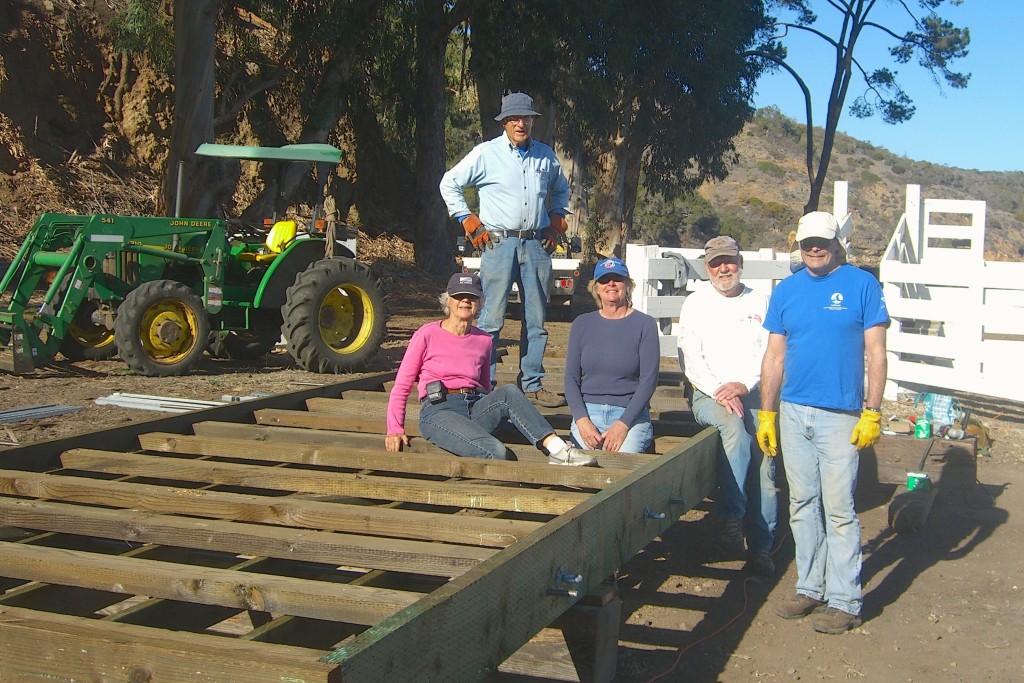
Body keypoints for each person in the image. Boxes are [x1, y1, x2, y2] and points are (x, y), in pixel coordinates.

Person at [758, 211, 889, 635]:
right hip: (794, 412)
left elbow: (876, 353)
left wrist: (872, 409)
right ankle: (810, 587)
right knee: (801, 503)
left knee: (839, 509)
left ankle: (845, 599)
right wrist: (767, 411)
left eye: (822, 242)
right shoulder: (788, 291)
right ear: (798, 244)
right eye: (806, 242)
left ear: (836, 243)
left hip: (840, 415)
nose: (813, 249)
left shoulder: (861, 285)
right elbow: (775, 356)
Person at [439, 92, 571, 409]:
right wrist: (467, 219)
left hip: (537, 243)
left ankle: (533, 385)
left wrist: (556, 221)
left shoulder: (546, 156)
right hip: (497, 243)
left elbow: (562, 189)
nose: (520, 123)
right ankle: (486, 383)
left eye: (525, 118)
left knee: (537, 319)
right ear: (505, 122)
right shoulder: (486, 154)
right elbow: (448, 182)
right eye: (514, 118)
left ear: (532, 122)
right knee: (490, 319)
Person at [385, 272, 596, 466]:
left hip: (475, 407)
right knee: (495, 450)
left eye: (472, 297)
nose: (465, 301)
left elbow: (485, 387)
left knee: (509, 392)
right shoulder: (427, 334)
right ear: (448, 300)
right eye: (459, 296)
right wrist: (394, 428)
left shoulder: (484, 340)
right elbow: (402, 385)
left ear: (479, 303)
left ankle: (557, 449)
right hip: (440, 410)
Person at [677, 236, 777, 577]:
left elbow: (771, 353)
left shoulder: (760, 301)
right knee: (734, 431)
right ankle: (732, 520)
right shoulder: (695, 303)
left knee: (764, 461)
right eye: (717, 262)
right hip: (708, 393)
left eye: (729, 261)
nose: (724, 268)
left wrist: (744, 385)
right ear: (707, 268)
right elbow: (690, 355)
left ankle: (762, 545)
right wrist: (721, 391)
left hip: (751, 392)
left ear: (740, 263)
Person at [564, 257, 659, 454]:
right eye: (605, 280)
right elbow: (571, 378)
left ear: (627, 285)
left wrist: (623, 425)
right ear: (596, 288)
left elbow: (649, 380)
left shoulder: (645, 324)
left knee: (619, 468)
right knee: (578, 470)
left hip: (629, 415)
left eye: (617, 278)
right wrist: (582, 420)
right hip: (588, 412)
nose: (611, 284)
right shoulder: (581, 324)